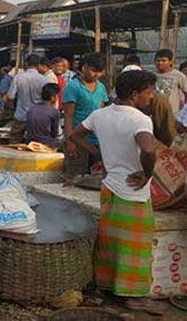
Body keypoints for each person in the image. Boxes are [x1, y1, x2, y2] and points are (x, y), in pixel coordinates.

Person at [69, 70, 167, 315]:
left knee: (110, 242)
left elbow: (75, 135)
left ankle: (108, 287)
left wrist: (98, 154)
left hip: (109, 187)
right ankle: (132, 296)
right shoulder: (140, 119)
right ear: (135, 94)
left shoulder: (100, 114)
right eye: (149, 92)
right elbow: (148, 149)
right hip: (133, 191)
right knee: (135, 247)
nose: (152, 97)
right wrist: (147, 173)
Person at [63, 53, 109, 176]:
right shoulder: (73, 87)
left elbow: (101, 113)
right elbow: (68, 116)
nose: (96, 75)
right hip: (77, 139)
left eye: (99, 72)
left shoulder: (101, 87)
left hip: (95, 141)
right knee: (75, 176)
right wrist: (70, 141)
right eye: (94, 71)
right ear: (84, 67)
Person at [7, 54, 47, 144]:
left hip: (20, 115)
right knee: (35, 144)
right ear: (38, 65)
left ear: (26, 64)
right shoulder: (43, 79)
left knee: (14, 141)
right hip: (37, 116)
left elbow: (10, 96)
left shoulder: (18, 78)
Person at [25, 83, 60, 148]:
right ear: (53, 97)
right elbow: (54, 133)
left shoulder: (32, 108)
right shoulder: (54, 112)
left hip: (29, 141)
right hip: (45, 142)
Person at [154, 49, 187, 115]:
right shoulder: (152, 75)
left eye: (163, 61)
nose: (160, 63)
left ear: (170, 62)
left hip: (172, 112)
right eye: (158, 61)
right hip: (155, 112)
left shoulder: (178, 75)